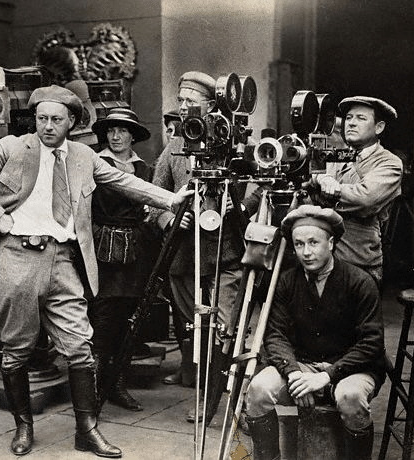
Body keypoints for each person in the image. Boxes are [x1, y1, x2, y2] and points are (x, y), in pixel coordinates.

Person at [0, 85, 191, 458]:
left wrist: (171, 199)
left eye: (56, 120)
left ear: (73, 122)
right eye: (42, 118)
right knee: (17, 350)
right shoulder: (14, 147)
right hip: (19, 257)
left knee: (80, 346)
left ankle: (86, 430)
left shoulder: (83, 156)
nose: (47, 126)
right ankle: (24, 427)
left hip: (64, 261)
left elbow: (126, 183)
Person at [151, 71, 261, 423]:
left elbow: (260, 184)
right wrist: (170, 217)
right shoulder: (174, 147)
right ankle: (208, 390)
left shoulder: (232, 142)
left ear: (211, 104)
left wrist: (239, 206)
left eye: (190, 102)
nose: (183, 108)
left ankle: (219, 402)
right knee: (194, 327)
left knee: (224, 331)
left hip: (226, 255)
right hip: (184, 258)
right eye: (180, 101)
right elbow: (157, 197)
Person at [246, 204, 386, 460]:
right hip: (302, 365)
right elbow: (275, 335)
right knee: (258, 390)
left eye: (314, 242)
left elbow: (371, 343)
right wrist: (295, 374)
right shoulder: (287, 282)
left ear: (331, 243)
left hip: (351, 367)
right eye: (299, 244)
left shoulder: (360, 282)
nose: (306, 252)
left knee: (350, 397)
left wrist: (328, 376)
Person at [88, 107, 158, 412]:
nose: (116, 137)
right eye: (111, 131)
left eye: (123, 131)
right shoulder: (95, 163)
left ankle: (117, 385)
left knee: (130, 319)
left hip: (135, 252)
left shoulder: (146, 170)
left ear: (133, 136)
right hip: (102, 249)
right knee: (103, 318)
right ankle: (91, 390)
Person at [308, 96, 403, 287]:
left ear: (379, 127)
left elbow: (365, 198)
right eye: (349, 117)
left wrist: (327, 189)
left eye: (361, 118)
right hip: (322, 258)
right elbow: (307, 180)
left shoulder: (389, 163)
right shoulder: (335, 154)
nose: (351, 123)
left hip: (358, 262)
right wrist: (319, 178)